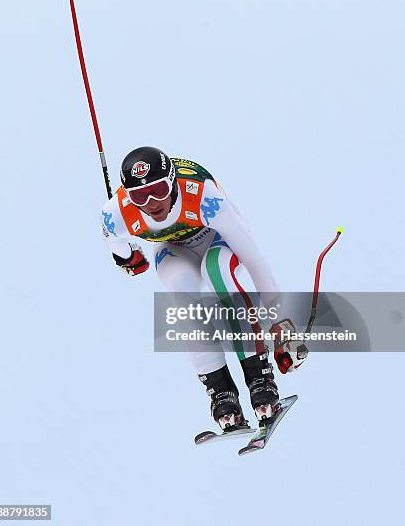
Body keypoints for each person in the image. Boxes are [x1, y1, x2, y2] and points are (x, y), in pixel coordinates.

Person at [101, 146, 308, 430]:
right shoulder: (116, 214)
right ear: (127, 194)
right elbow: (118, 246)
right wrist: (130, 258)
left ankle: (259, 378)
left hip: (217, 237)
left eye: (159, 190)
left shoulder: (203, 195)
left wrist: (280, 323)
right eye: (139, 195)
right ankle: (221, 391)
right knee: (180, 287)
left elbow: (253, 257)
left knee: (217, 274)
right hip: (174, 248)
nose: (151, 203)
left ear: (172, 182)